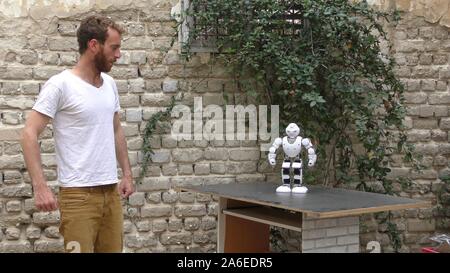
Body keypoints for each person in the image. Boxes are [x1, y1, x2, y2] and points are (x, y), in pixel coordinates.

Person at [20, 15, 134, 253]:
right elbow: (29, 133)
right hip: (78, 196)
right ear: (94, 45)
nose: (118, 54)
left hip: (110, 193)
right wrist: (40, 187)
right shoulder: (61, 85)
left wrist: (127, 174)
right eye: (114, 47)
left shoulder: (110, 84)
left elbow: (116, 129)